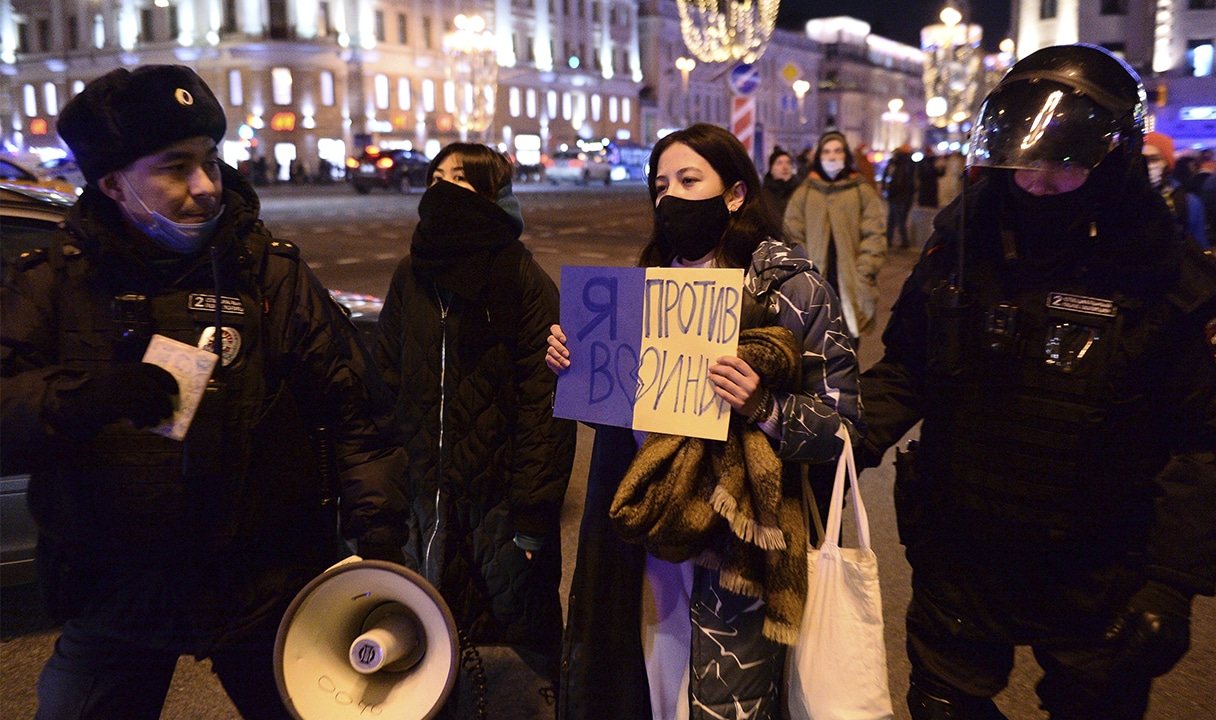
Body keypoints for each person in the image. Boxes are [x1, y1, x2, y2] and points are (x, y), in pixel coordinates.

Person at [855, 45, 1216, 719]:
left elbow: (1212, 443)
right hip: (962, 555)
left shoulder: (1169, 275)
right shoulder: (962, 241)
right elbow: (904, 371)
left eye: (1063, 164)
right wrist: (827, 444)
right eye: (1025, 161)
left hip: (1098, 573)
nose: (1036, 181)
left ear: (1113, 160)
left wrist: (1170, 585)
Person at [1, 65, 410, 720]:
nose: (204, 188)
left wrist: (382, 540)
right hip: (116, 600)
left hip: (262, 592)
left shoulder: (269, 272)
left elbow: (358, 414)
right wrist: (86, 397)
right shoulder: (55, 280)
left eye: (209, 161)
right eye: (174, 168)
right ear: (112, 182)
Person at [546, 123, 863, 720]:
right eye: (661, 185)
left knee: (725, 704)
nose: (671, 197)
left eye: (690, 180)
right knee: (656, 691)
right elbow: (631, 420)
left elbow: (844, 429)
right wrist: (577, 366)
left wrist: (764, 408)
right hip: (652, 538)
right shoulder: (649, 284)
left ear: (736, 193)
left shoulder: (792, 289)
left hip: (737, 552)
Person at [371, 142, 575, 714]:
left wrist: (533, 514)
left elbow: (545, 405)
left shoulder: (521, 278)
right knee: (419, 651)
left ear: (490, 192)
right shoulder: (411, 274)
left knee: (506, 661)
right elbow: (384, 380)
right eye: (435, 177)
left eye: (457, 179)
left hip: (499, 511)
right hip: (420, 504)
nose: (441, 188)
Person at [784, 129, 888, 348]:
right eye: (827, 151)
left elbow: (874, 234)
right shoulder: (804, 193)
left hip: (850, 282)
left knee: (849, 344)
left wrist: (865, 269)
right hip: (815, 281)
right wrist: (802, 269)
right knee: (815, 345)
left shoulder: (861, 191)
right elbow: (793, 234)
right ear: (819, 156)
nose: (832, 157)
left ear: (846, 156)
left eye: (838, 151)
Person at [1142, 131, 1207, 249]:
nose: (1148, 166)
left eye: (1154, 159)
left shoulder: (1189, 202)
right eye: (1143, 160)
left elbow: (1199, 247)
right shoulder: (1126, 198)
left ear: (1168, 163)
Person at [881, 145, 917, 249]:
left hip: (898, 196)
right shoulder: (906, 163)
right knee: (896, 219)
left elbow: (897, 181)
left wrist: (888, 190)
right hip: (901, 196)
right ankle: (891, 240)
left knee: (898, 219)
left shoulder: (900, 164)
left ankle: (901, 242)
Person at [760, 145, 801, 221]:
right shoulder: (763, 196)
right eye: (779, 163)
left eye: (788, 163)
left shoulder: (799, 192)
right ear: (771, 169)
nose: (785, 167)